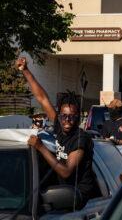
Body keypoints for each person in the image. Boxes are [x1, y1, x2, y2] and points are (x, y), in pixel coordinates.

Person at [16, 57, 100, 209]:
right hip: (63, 195)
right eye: (64, 116)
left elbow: (66, 172)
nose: (67, 120)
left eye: (72, 116)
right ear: (59, 116)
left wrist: (41, 147)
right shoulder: (59, 126)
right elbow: (42, 98)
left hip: (80, 201)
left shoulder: (81, 139)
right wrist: (26, 70)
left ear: (78, 117)